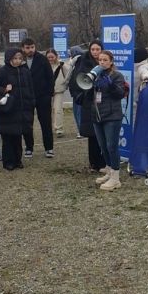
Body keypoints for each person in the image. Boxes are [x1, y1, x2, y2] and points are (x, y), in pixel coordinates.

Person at [82, 50, 129, 191]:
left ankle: (115, 178)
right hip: (97, 115)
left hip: (112, 116)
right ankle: (109, 171)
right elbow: (90, 95)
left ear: (111, 61)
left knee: (111, 146)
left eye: (105, 60)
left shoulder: (117, 75)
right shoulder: (96, 75)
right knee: (103, 146)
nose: (102, 62)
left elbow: (120, 94)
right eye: (100, 60)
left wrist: (110, 85)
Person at [0, 48, 36, 171]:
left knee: (18, 136)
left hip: (23, 109)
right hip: (8, 109)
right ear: (9, 59)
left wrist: (31, 103)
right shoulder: (3, 72)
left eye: (20, 58)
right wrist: (4, 89)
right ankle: (8, 161)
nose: (17, 61)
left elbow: (31, 88)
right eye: (15, 58)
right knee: (8, 137)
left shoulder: (25, 72)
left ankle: (18, 159)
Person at [71, 41, 106, 170]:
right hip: (89, 102)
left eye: (98, 49)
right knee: (93, 135)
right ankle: (94, 162)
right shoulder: (83, 62)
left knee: (103, 134)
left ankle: (104, 161)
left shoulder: (106, 62)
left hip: (103, 103)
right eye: (93, 49)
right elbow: (76, 82)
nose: (95, 52)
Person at [23, 38, 55, 158]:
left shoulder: (42, 60)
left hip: (42, 97)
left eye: (32, 47)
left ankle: (49, 148)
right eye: (27, 47)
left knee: (46, 123)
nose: (30, 50)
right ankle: (29, 148)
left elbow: (50, 78)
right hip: (26, 97)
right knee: (27, 123)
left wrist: (49, 94)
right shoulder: (19, 60)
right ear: (23, 48)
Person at [48, 49, 71, 138]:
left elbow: (68, 74)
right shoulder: (44, 65)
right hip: (46, 91)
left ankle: (59, 129)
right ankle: (48, 128)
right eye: (48, 57)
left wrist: (64, 84)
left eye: (52, 57)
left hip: (59, 90)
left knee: (58, 110)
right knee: (47, 111)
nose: (50, 59)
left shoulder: (62, 65)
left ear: (56, 56)